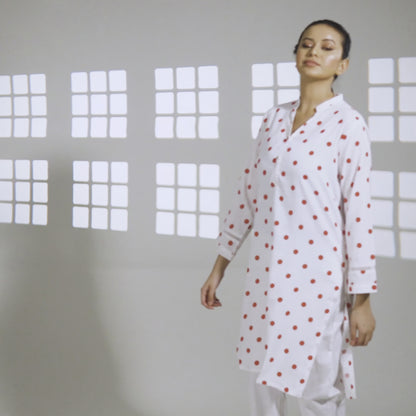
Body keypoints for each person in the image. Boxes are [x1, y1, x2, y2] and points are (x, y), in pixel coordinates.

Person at [200, 19, 377, 416]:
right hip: (265, 278)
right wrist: (219, 266)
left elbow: (359, 215)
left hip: (319, 280)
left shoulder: (348, 125)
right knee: (263, 386)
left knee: (318, 390)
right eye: (306, 44)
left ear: (342, 65)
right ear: (296, 55)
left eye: (327, 47)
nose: (313, 52)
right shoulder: (274, 119)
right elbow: (248, 195)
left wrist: (361, 301)